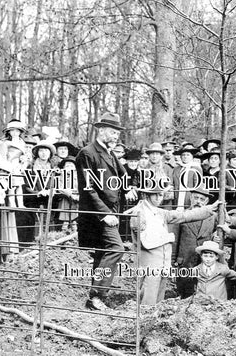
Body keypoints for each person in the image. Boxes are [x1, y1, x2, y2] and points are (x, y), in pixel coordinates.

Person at [127, 186, 221, 305]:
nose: (158, 198)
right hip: (150, 262)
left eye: (160, 195)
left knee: (159, 295)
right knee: (148, 295)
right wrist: (168, 238)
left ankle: (154, 320)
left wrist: (209, 209)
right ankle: (144, 320)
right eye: (154, 194)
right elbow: (146, 241)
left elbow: (184, 216)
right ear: (146, 195)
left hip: (162, 260)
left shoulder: (160, 212)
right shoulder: (139, 213)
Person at [76, 112, 129, 311]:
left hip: (110, 211)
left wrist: (127, 187)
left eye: (118, 132)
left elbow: (120, 175)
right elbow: (87, 189)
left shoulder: (109, 152)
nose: (116, 136)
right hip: (97, 214)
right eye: (113, 132)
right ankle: (97, 294)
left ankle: (95, 300)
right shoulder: (87, 153)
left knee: (101, 255)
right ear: (100, 130)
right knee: (116, 249)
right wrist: (105, 213)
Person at [172, 186, 217, 299]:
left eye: (202, 199)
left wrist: (215, 238)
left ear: (206, 201)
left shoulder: (212, 217)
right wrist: (173, 262)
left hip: (203, 261)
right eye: (196, 198)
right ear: (191, 199)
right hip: (185, 262)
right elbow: (175, 241)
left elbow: (217, 235)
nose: (198, 201)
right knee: (184, 293)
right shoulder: (182, 216)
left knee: (202, 292)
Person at [172, 145, 201, 211]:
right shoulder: (176, 169)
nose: (185, 157)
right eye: (183, 155)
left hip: (189, 198)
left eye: (188, 155)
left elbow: (198, 186)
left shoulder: (196, 168)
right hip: (177, 197)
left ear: (192, 157)